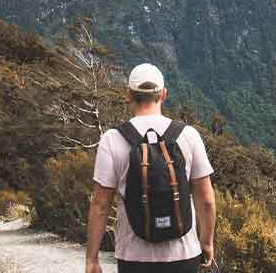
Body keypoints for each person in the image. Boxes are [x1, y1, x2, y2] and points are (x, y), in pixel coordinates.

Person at [85, 64, 217, 273]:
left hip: (134, 258)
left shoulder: (112, 139)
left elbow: (100, 205)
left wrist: (92, 259)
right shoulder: (189, 135)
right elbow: (206, 200)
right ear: (163, 95)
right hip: (184, 256)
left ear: (129, 94)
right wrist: (207, 242)